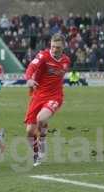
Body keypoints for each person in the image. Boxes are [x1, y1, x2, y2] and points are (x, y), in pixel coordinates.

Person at [24, 33, 71, 166]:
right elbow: (31, 67)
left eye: (58, 47)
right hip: (38, 96)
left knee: (41, 118)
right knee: (29, 131)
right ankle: (36, 154)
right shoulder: (43, 56)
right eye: (53, 46)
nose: (55, 49)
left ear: (63, 47)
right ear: (50, 44)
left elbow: (59, 75)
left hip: (55, 96)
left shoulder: (66, 61)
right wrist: (29, 79)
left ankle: (42, 141)